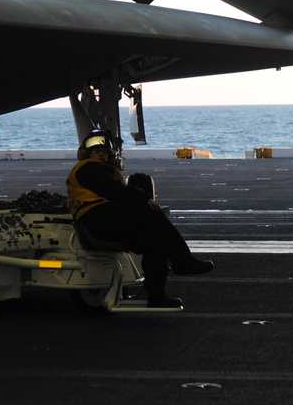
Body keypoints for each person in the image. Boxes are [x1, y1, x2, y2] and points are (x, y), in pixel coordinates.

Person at [66, 130, 212, 308]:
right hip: (97, 220)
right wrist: (145, 200)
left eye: (104, 152)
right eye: (97, 152)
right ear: (87, 154)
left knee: (156, 243)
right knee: (152, 215)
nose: (101, 155)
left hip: (101, 222)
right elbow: (116, 192)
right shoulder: (88, 168)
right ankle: (183, 262)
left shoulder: (96, 170)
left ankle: (157, 296)